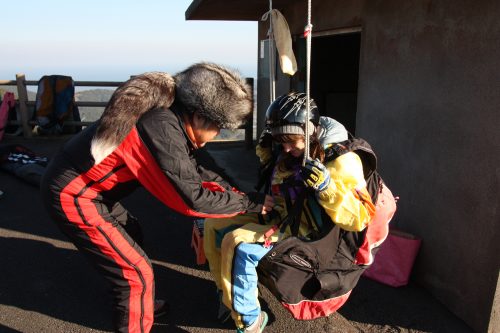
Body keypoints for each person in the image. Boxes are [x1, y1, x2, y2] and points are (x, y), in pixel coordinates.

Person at [40, 62, 274, 333]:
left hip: (93, 191)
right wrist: (249, 204)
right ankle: (134, 314)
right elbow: (192, 200)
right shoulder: (159, 128)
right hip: (74, 193)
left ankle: (137, 303)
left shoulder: (170, 118)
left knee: (131, 235)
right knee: (135, 274)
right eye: (218, 126)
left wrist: (245, 196)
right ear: (199, 116)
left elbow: (198, 170)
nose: (218, 134)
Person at [203, 92, 376, 333]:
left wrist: (327, 188)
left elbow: (360, 217)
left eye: (290, 140)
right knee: (214, 225)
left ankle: (249, 320)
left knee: (239, 244)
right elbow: (277, 173)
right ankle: (228, 294)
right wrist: (266, 151)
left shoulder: (341, 161)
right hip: (283, 214)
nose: (285, 147)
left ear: (310, 131)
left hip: (310, 234)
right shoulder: (291, 149)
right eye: (279, 140)